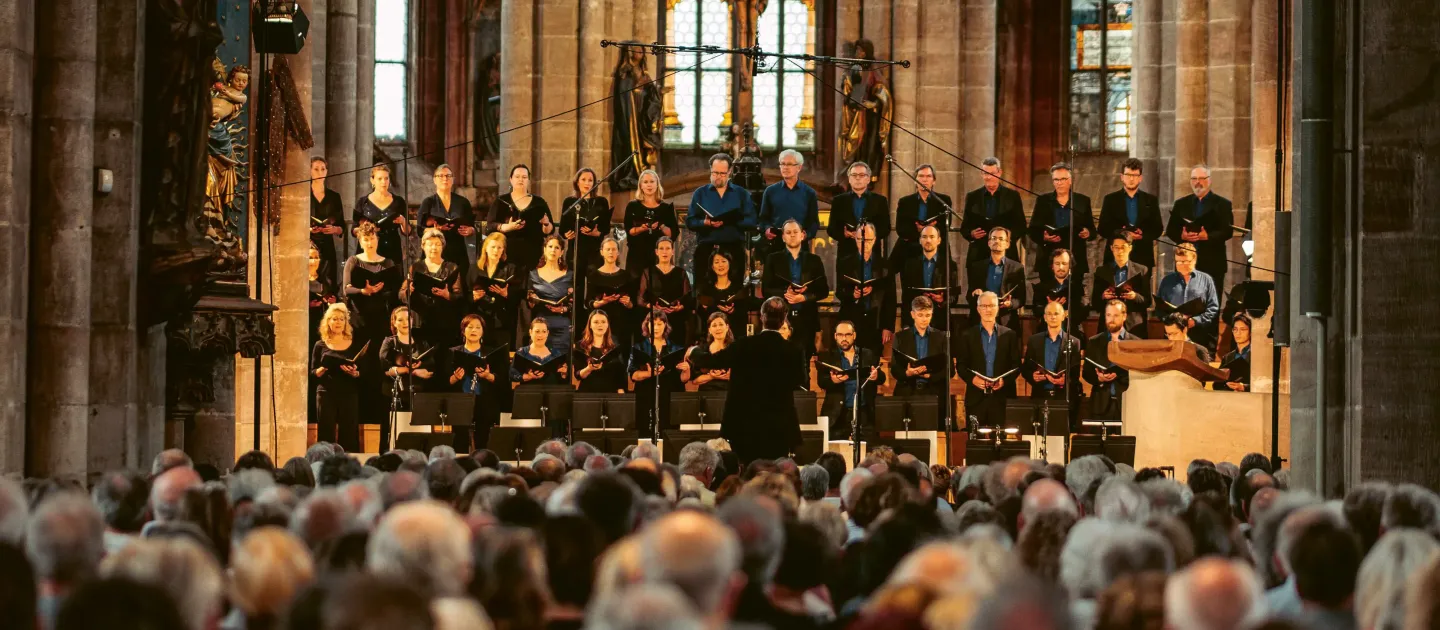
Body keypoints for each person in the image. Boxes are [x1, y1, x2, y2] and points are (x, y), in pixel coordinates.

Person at [720, 297, 805, 463]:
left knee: (746, 470)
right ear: (783, 319)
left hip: (744, 425)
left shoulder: (743, 344)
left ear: (762, 317)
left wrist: (694, 353)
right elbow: (799, 379)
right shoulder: (793, 350)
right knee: (774, 472)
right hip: (778, 426)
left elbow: (715, 360)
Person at [763, 220, 829, 361]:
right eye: (788, 232)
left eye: (795, 232)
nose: (792, 235)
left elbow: (823, 291)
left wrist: (804, 297)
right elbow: (766, 290)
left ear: (802, 235)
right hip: (781, 320)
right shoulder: (773, 259)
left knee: (804, 363)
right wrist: (785, 294)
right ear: (783, 237)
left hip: (807, 320)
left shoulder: (814, 260)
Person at [955, 292, 1022, 431]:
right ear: (978, 309)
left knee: (1000, 440)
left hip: (1001, 398)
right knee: (975, 440)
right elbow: (961, 365)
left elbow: (1016, 366)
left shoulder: (1009, 335)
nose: (988, 309)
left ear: (997, 308)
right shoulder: (967, 335)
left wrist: (1003, 381)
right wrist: (972, 379)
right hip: (976, 398)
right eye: (984, 306)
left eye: (991, 306)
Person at [1165, 164, 1236, 293]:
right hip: (1185, 262)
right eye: (1194, 179)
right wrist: (1182, 236)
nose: (1197, 182)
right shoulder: (1181, 203)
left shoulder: (1223, 204)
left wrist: (1208, 236)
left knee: (1211, 299)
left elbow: (1227, 231)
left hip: (1212, 262)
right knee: (1184, 298)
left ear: (1209, 180)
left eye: (1202, 178)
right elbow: (1171, 230)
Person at [379, 307, 438, 453]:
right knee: (392, 434)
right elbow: (384, 368)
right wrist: (409, 370)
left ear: (412, 321)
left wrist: (420, 371)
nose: (405, 323)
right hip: (394, 394)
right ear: (394, 323)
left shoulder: (421, 343)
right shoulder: (389, 342)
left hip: (418, 394)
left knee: (418, 435)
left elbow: (430, 370)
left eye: (407, 319)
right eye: (400, 320)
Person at [687, 153, 755, 275]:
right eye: (715, 173)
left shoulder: (741, 194)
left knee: (735, 285)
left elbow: (752, 221)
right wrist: (705, 223)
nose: (718, 177)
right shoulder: (700, 193)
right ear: (710, 170)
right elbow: (690, 222)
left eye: (722, 173)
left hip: (734, 249)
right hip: (706, 248)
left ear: (729, 172)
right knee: (703, 285)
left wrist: (733, 220)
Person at [1029, 162, 1096, 285]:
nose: (1059, 183)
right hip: (1048, 258)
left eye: (1063, 179)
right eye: (1056, 179)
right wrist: (1044, 237)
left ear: (1070, 180)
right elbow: (1033, 229)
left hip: (1075, 257)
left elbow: (1092, 230)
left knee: (1074, 293)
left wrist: (1088, 233)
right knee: (1048, 293)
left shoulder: (1082, 201)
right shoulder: (1043, 200)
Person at [818, 321, 885, 442]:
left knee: (868, 449)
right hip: (838, 415)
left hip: (864, 413)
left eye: (848, 334)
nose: (844, 339)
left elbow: (882, 377)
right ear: (835, 336)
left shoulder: (867, 354)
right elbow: (821, 381)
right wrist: (833, 381)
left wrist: (876, 376)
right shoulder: (828, 356)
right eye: (840, 335)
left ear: (854, 335)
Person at [1023, 301, 1084, 431]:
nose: (1052, 317)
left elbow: (1075, 374)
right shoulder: (1034, 340)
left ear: (1063, 316)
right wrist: (1033, 376)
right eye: (1049, 314)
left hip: (1062, 398)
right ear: (1044, 317)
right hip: (1040, 396)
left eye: (1056, 313)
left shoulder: (1074, 342)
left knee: (1060, 435)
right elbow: (1026, 369)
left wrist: (1065, 380)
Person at [835, 223, 895, 353]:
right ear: (855, 239)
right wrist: (853, 295)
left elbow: (891, 298)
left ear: (874, 240)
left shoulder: (885, 265)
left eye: (867, 240)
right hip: (852, 320)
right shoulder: (845, 263)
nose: (863, 243)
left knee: (873, 359)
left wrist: (888, 327)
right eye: (860, 239)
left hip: (876, 321)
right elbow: (839, 292)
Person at [311, 304, 363, 451]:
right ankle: (325, 460)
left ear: (346, 322)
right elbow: (312, 372)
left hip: (349, 391)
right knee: (326, 430)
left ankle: (349, 461)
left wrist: (356, 373)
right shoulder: (319, 345)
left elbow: (364, 370)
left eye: (342, 319)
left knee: (349, 431)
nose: (338, 322)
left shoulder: (354, 343)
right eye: (334, 319)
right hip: (326, 392)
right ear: (328, 322)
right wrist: (322, 369)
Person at [402, 228, 464, 349]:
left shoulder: (452, 267)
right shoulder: (415, 267)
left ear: (443, 247)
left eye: (437, 244)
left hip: (445, 321)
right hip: (421, 321)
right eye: (430, 244)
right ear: (423, 246)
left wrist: (447, 295)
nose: (434, 248)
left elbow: (460, 296)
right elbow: (401, 294)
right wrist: (409, 291)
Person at [630, 312, 688, 440]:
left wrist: (686, 370)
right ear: (647, 325)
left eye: (659, 324)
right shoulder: (638, 348)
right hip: (646, 395)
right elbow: (633, 375)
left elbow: (682, 379)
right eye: (653, 324)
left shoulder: (675, 348)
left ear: (665, 325)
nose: (656, 327)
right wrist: (650, 373)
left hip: (668, 394)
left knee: (667, 432)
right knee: (645, 432)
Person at [448, 314, 503, 450]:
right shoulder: (452, 352)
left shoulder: (491, 353)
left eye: (478, 327)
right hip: (460, 401)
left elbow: (502, 380)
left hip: (484, 402)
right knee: (459, 442)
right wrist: (455, 378)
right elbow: (443, 381)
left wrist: (488, 376)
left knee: (483, 442)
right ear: (463, 331)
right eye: (470, 327)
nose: (474, 330)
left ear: (483, 331)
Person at [344, 222, 403, 347]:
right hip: (359, 318)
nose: (369, 243)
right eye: (366, 240)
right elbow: (346, 289)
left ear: (377, 239)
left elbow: (396, 290)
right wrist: (363, 291)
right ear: (360, 242)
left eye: (372, 238)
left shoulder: (388, 262)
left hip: (382, 316)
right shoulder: (353, 261)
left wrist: (382, 291)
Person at [1155, 242, 1221, 354]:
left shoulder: (1206, 279)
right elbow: (1159, 308)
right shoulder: (1167, 281)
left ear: (1194, 259)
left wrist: (1195, 321)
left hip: (1199, 333)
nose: (1181, 265)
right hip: (1173, 335)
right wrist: (1172, 321)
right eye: (1178, 261)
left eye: (1186, 261)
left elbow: (1213, 307)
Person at [892, 296, 952, 420]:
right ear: (912, 314)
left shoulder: (942, 337)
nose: (924, 319)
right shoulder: (900, 337)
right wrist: (908, 373)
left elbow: (950, 370)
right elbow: (895, 369)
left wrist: (930, 376)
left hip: (934, 393)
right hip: (908, 392)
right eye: (920, 315)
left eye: (927, 315)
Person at [488, 164, 553, 275]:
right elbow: (490, 225)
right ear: (511, 179)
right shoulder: (501, 201)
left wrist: (546, 224)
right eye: (517, 177)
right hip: (506, 252)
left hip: (533, 252)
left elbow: (550, 230)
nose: (520, 179)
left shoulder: (539, 202)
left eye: (524, 177)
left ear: (528, 180)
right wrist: (507, 227)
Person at [1099, 158, 1164, 269]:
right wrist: (1123, 233)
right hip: (1115, 258)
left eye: (1135, 175)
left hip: (1143, 257)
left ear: (1140, 178)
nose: (1131, 179)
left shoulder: (1151, 200)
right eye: (1128, 175)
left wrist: (1142, 235)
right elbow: (1102, 229)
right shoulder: (1110, 199)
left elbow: (1158, 229)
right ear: (1122, 177)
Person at [958, 157, 1025, 265]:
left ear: (999, 173)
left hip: (1006, 254)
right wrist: (972, 234)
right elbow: (964, 227)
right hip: (979, 255)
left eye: (992, 173)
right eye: (985, 173)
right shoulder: (972, 197)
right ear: (981, 174)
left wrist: (1006, 238)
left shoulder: (1013, 196)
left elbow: (1021, 225)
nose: (988, 177)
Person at [511, 318, 571, 437]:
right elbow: (512, 374)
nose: (540, 335)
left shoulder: (556, 353)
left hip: (552, 399)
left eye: (544, 331)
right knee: (532, 435)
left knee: (553, 432)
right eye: (537, 331)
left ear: (548, 333)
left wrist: (564, 373)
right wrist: (527, 376)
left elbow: (562, 380)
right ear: (530, 332)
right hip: (529, 397)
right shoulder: (522, 353)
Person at [560, 167, 612, 299]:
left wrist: (597, 233)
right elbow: (562, 228)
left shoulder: (601, 202)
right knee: (575, 288)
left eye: (590, 180)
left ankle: (592, 311)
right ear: (577, 182)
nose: (587, 183)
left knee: (594, 288)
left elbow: (606, 228)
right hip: (575, 250)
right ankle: (577, 312)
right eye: (583, 179)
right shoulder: (570, 202)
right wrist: (566, 235)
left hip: (594, 251)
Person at [759, 149, 820, 257]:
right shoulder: (770, 191)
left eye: (789, 164)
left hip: (800, 247)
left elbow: (814, 223)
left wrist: (805, 235)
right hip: (776, 245)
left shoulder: (809, 193)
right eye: (782, 164)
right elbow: (763, 219)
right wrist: (767, 229)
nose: (785, 167)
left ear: (799, 167)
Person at [827, 161, 891, 262]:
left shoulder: (880, 201)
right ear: (849, 179)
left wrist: (868, 234)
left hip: (871, 254)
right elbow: (831, 229)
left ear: (868, 179)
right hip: (846, 254)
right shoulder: (838, 201)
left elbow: (885, 228)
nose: (857, 178)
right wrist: (844, 233)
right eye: (854, 175)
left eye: (861, 175)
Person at [896, 163, 958, 268]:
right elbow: (901, 229)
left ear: (934, 181)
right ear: (915, 180)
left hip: (936, 249)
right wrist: (920, 231)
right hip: (912, 248)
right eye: (921, 176)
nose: (924, 180)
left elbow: (944, 227)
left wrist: (929, 231)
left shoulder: (944, 200)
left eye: (928, 176)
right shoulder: (905, 202)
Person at [965, 226, 1026, 330]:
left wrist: (1010, 304)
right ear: (989, 243)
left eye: (1001, 239)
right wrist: (975, 293)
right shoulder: (977, 267)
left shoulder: (1017, 268)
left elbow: (1021, 299)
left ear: (1007, 244)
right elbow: (969, 296)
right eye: (994, 238)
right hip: (981, 320)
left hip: (1006, 321)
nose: (997, 241)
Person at [1091, 233, 1152, 337]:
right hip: (1109, 325)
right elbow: (1094, 302)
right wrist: (1103, 296)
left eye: (1123, 247)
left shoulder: (1142, 270)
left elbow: (1148, 301)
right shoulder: (1102, 271)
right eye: (1116, 247)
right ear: (1111, 248)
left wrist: (1135, 296)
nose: (1120, 251)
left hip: (1133, 325)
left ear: (1130, 248)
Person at [1084, 300, 1136, 421]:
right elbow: (1087, 373)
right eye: (1108, 315)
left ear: (1124, 316)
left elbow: (1139, 375)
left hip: (1126, 405)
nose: (1111, 319)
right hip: (1100, 405)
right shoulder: (1094, 342)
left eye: (1115, 315)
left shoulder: (1135, 343)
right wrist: (1099, 378)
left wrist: (1120, 375)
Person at [899, 225, 958, 331]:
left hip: (940, 322)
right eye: (924, 237)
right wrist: (906, 323)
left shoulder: (949, 265)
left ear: (939, 240)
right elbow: (906, 296)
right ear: (920, 240)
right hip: (916, 320)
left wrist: (942, 300)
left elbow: (954, 297)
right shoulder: (910, 264)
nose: (928, 240)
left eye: (932, 237)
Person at [417, 163, 476, 269]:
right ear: (434, 180)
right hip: (434, 251)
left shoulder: (463, 202)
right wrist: (434, 230)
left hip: (458, 250)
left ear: (453, 179)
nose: (445, 179)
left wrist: (470, 230)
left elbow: (472, 226)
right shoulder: (428, 202)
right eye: (441, 176)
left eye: (448, 176)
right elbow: (419, 229)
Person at [467, 232, 520, 350]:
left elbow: (517, 296)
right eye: (493, 247)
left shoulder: (510, 268)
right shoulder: (474, 268)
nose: (496, 250)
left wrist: (506, 294)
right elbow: (466, 294)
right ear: (486, 248)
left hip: (501, 320)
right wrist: (473, 296)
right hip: (479, 320)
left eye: (499, 247)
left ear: (503, 250)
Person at [525, 235, 574, 355]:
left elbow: (574, 304)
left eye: (557, 247)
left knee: (561, 362)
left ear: (561, 252)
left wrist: (563, 309)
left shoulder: (570, 275)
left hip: (562, 326)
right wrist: (531, 300)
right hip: (540, 326)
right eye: (550, 246)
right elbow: (529, 304)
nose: (553, 250)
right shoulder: (533, 274)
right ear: (544, 249)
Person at [638, 236, 693, 346]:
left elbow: (688, 297)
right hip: (655, 319)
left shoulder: (681, 272)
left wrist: (680, 307)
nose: (664, 252)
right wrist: (653, 307)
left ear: (672, 251)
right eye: (661, 248)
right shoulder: (648, 272)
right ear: (656, 252)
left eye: (668, 248)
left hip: (676, 319)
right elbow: (640, 299)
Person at [352, 163, 411, 264]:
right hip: (368, 248)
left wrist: (403, 221)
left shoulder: (399, 201)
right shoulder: (363, 202)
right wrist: (366, 228)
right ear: (372, 180)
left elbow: (408, 231)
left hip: (392, 249)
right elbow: (353, 230)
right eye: (380, 179)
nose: (384, 182)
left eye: (386, 178)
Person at [586, 236, 637, 350]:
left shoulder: (626, 276)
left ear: (618, 252)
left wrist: (628, 303)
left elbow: (633, 304)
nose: (611, 252)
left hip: (622, 323)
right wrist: (602, 302)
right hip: (601, 323)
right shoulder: (594, 276)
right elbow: (588, 302)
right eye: (608, 249)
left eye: (614, 249)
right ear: (602, 252)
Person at [308, 244, 338, 427]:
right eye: (310, 257)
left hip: (323, 332)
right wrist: (308, 305)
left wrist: (330, 303)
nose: (313, 261)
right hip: (307, 329)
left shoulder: (325, 281)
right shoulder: (299, 280)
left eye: (316, 257)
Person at [622, 169, 676, 271]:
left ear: (657, 184)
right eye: (646, 182)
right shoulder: (632, 206)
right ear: (641, 186)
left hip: (659, 256)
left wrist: (661, 226)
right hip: (637, 255)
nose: (649, 185)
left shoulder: (666, 207)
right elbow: (629, 230)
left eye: (652, 182)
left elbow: (672, 234)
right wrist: (641, 229)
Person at [695, 248, 752, 341]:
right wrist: (704, 308)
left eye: (723, 261)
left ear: (729, 264)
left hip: (736, 336)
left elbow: (745, 311)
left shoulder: (738, 288)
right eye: (716, 262)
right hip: (713, 337)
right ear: (712, 266)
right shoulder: (706, 289)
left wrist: (733, 311)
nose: (720, 265)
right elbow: (700, 315)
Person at [1031, 248, 1086, 337]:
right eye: (1057, 264)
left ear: (1070, 266)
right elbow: (1036, 311)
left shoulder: (1078, 288)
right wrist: (1050, 307)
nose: (1061, 267)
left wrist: (1063, 312)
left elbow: (1083, 312)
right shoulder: (1041, 287)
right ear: (1052, 266)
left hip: (1071, 334)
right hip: (1046, 334)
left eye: (1064, 263)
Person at [309, 157, 346, 284]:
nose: (320, 173)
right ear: (310, 171)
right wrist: (308, 229)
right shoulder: (304, 194)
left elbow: (342, 227)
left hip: (328, 245)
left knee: (328, 282)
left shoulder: (334, 197)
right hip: (308, 244)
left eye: (323, 169)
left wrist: (334, 229)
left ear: (326, 171)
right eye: (316, 169)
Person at [575, 310, 627, 394]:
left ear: (607, 325)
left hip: (611, 393)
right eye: (596, 322)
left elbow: (620, 373)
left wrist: (621, 392)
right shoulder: (580, 346)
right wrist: (589, 369)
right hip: (588, 393)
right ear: (590, 325)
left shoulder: (614, 346)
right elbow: (578, 375)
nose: (600, 325)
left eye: (603, 322)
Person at [686, 312, 735, 392]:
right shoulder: (701, 350)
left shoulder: (735, 348)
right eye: (714, 325)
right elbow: (694, 381)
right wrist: (712, 376)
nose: (718, 328)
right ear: (710, 330)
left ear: (727, 327)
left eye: (721, 324)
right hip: (707, 394)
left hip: (730, 392)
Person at [1219, 313, 1253, 392]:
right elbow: (1217, 384)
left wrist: (1244, 387)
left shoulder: (1257, 355)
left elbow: (1265, 384)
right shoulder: (1227, 358)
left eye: (1243, 329)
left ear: (1251, 332)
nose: (1238, 333)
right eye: (1235, 329)